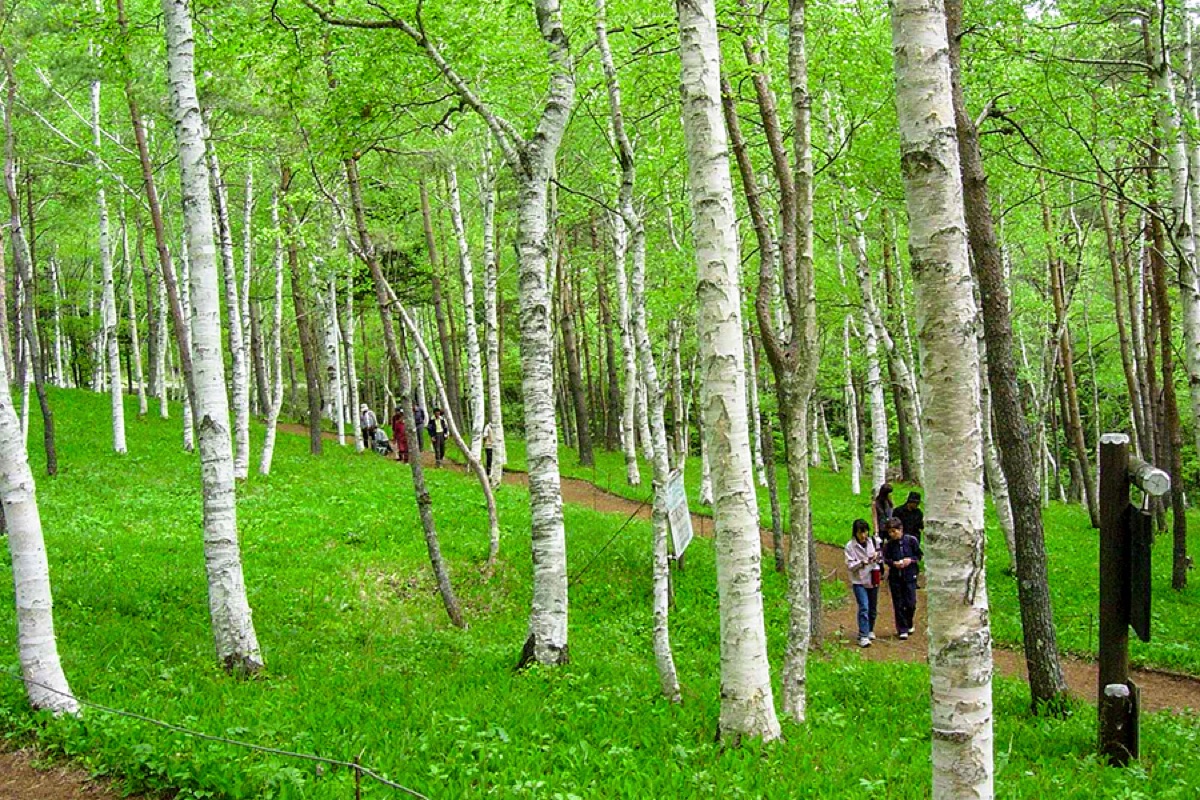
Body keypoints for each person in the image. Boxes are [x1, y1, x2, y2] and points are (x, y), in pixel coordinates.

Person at [882, 517, 923, 639]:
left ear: (901, 529)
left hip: (910, 576)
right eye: (890, 532)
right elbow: (886, 559)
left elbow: (919, 555)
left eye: (894, 531)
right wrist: (893, 563)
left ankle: (909, 622)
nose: (892, 534)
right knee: (898, 603)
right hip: (895, 577)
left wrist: (910, 560)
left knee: (911, 603)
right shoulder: (889, 545)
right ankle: (902, 628)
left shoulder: (911, 541)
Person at [844, 518, 882, 648]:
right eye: (860, 533)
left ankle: (870, 628)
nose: (863, 535)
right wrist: (861, 563)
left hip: (873, 577)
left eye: (865, 532)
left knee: (873, 607)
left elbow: (882, 554)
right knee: (864, 606)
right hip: (859, 580)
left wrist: (877, 557)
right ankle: (863, 635)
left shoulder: (874, 541)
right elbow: (850, 565)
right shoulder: (850, 546)